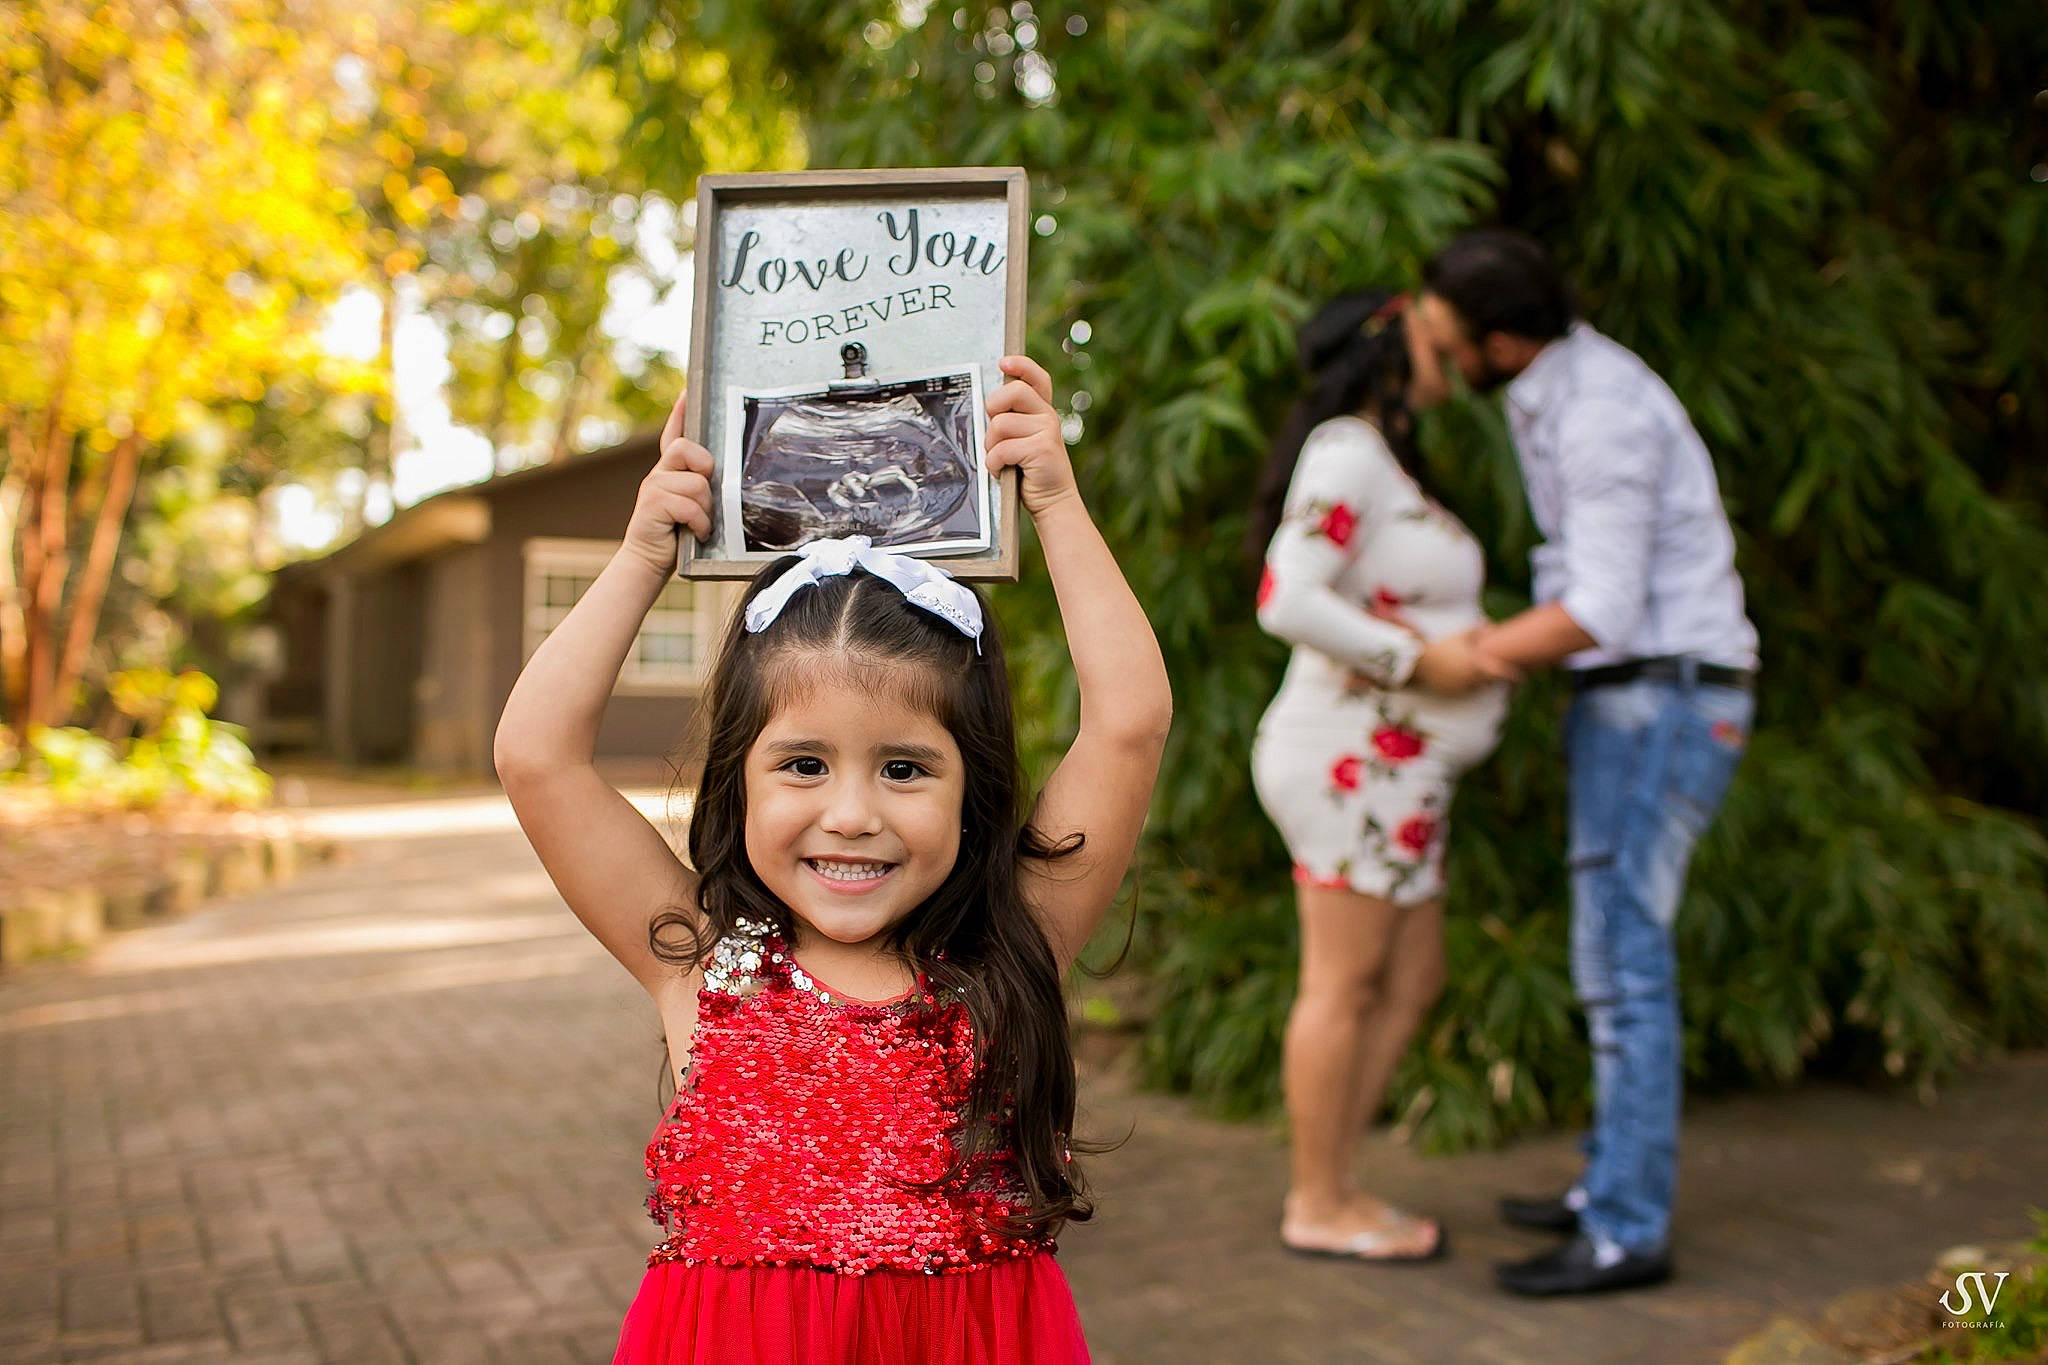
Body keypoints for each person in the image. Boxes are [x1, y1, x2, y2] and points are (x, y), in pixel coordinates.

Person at [493, 356, 1171, 1363]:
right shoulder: (700, 961)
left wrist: (1058, 506)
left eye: (903, 768)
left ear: (970, 789)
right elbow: (535, 756)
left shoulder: (1011, 948)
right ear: (740, 781)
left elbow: (1126, 724)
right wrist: (642, 553)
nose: (849, 815)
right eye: (803, 764)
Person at [1412, 229, 1759, 1296]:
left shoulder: (1600, 412)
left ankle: (1623, 1229)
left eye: (1438, 333)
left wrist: (1466, 657)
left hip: (1661, 697)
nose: (1423, 344)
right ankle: (1608, 1181)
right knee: (1612, 956)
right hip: (1640, 694)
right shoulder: (1561, 390)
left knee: (1622, 969)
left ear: (1500, 341)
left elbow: (1602, 605)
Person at [1247, 288, 1515, 1264]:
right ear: (1390, 338)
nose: (1454, 339)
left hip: (1400, 777)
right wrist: (1417, 661)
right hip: (1347, 761)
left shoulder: (1381, 459)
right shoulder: (1346, 450)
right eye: (1432, 323)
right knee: (1346, 980)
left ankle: (1336, 1177)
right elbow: (1286, 597)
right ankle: (1317, 1201)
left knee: (1412, 976)